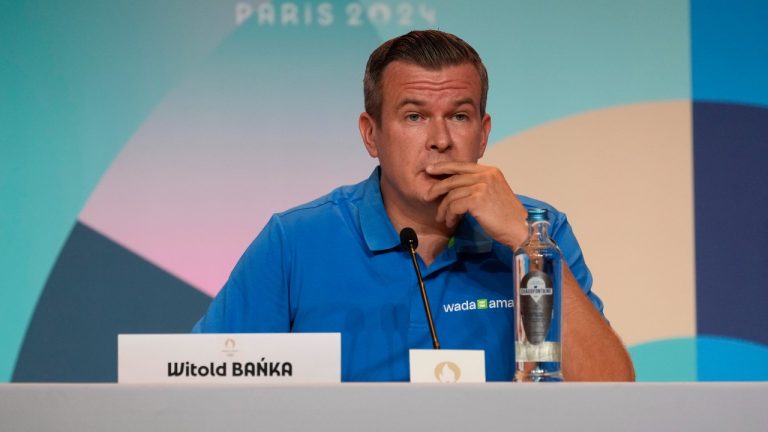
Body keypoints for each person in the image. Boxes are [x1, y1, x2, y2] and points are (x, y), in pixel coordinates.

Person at [193, 30, 635, 382]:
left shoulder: (540, 228)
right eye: (415, 117)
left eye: (459, 116)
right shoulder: (296, 241)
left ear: (482, 134)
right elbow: (200, 383)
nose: (440, 140)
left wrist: (526, 242)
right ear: (371, 134)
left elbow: (611, 393)